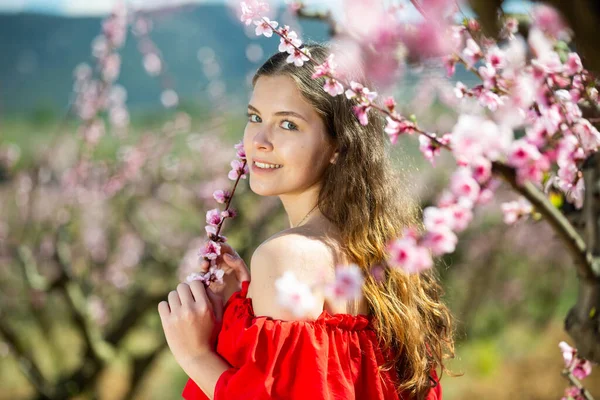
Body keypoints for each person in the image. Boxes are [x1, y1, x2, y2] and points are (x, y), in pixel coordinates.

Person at [158, 43, 456, 400]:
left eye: (288, 124)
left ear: (338, 146)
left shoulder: (284, 256)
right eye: (254, 117)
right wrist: (245, 311)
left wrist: (195, 355)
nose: (260, 141)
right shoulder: (383, 257)